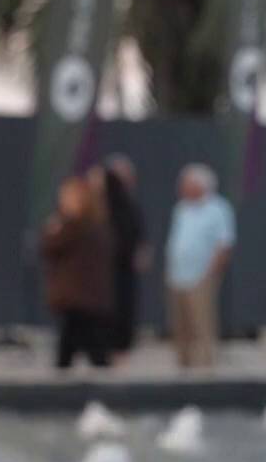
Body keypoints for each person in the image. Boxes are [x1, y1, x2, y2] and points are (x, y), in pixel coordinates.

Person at [163, 163, 235, 371]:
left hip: (201, 276)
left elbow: (224, 244)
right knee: (180, 324)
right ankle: (183, 364)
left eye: (187, 184)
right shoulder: (181, 209)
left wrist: (212, 273)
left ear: (201, 186)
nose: (182, 188)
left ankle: (205, 366)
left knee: (202, 323)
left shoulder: (217, 209)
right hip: (177, 276)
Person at [39, 175, 115, 370]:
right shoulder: (94, 223)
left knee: (85, 345)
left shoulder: (77, 225)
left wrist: (53, 229)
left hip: (79, 297)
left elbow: (51, 246)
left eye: (67, 197)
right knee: (77, 344)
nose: (62, 201)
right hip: (83, 297)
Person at [98, 156, 151, 358]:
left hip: (125, 271)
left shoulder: (131, 205)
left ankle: (121, 350)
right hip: (104, 271)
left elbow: (139, 235)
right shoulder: (100, 204)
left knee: (125, 311)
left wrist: (142, 251)